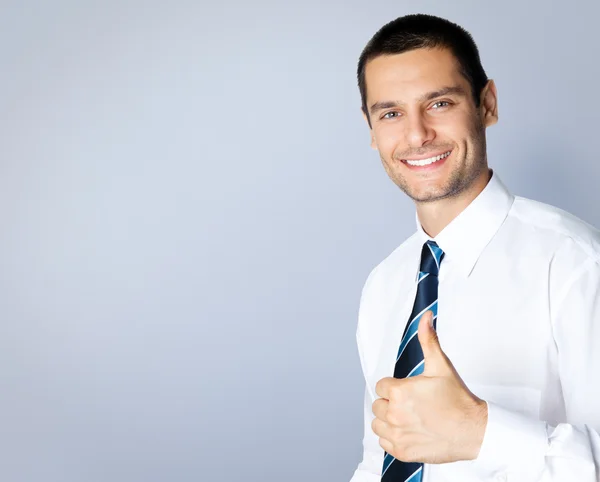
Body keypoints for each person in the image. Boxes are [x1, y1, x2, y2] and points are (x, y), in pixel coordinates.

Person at [350, 13, 600, 482]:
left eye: (439, 103)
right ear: (370, 128)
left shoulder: (577, 265)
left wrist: (481, 433)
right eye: (390, 113)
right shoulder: (384, 285)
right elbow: (377, 457)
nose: (417, 134)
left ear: (487, 104)